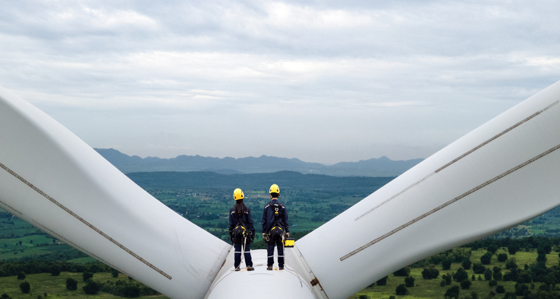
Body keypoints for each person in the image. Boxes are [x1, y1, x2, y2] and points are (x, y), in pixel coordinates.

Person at [262, 184, 289, 271]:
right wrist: (287, 231)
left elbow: (264, 220)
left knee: (270, 248)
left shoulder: (267, 206)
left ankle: (270, 265)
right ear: (278, 194)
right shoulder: (283, 206)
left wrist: (263, 231)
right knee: (280, 248)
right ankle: (281, 265)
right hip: (280, 231)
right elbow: (285, 220)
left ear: (270, 195)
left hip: (270, 232)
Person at [229, 188, 255, 271]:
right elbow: (250, 222)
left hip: (236, 234)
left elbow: (231, 224)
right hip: (245, 233)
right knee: (246, 249)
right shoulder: (247, 210)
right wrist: (252, 233)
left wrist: (231, 234)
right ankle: (249, 265)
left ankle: (237, 266)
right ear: (243, 196)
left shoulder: (232, 211)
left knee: (237, 250)